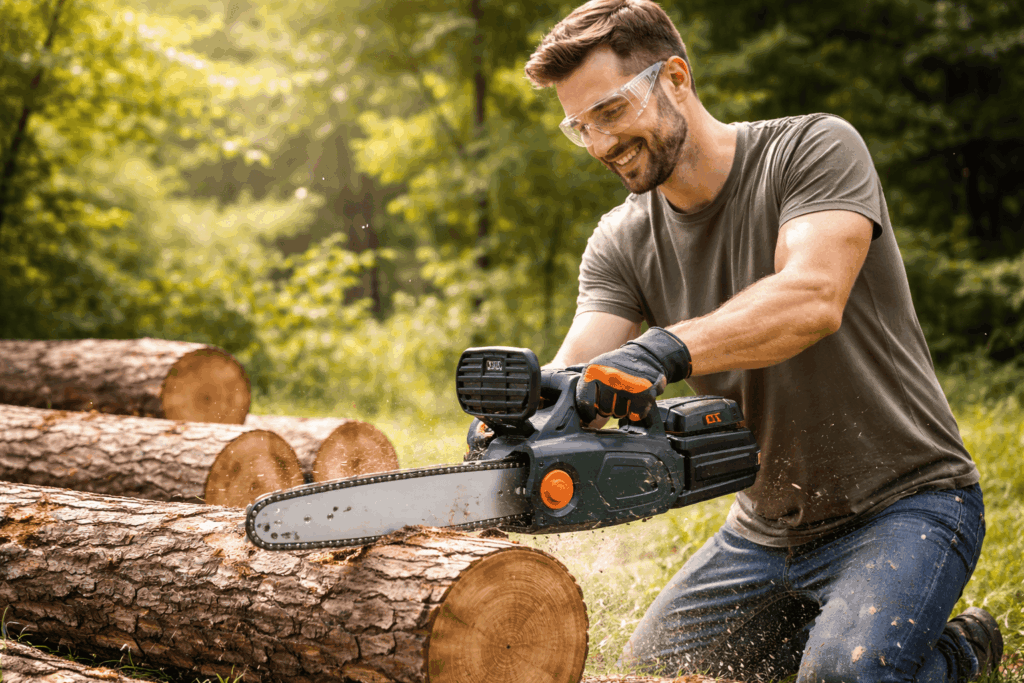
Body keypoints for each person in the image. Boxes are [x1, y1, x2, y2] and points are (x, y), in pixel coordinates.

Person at [516, 0, 1003, 680]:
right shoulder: (621, 239)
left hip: (908, 502)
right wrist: (532, 412)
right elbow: (586, 364)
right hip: (761, 532)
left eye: (612, 111)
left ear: (676, 78)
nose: (600, 144)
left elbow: (811, 297)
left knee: (841, 675)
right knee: (657, 675)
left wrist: (662, 349)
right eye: (581, 127)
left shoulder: (812, 149)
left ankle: (961, 650)